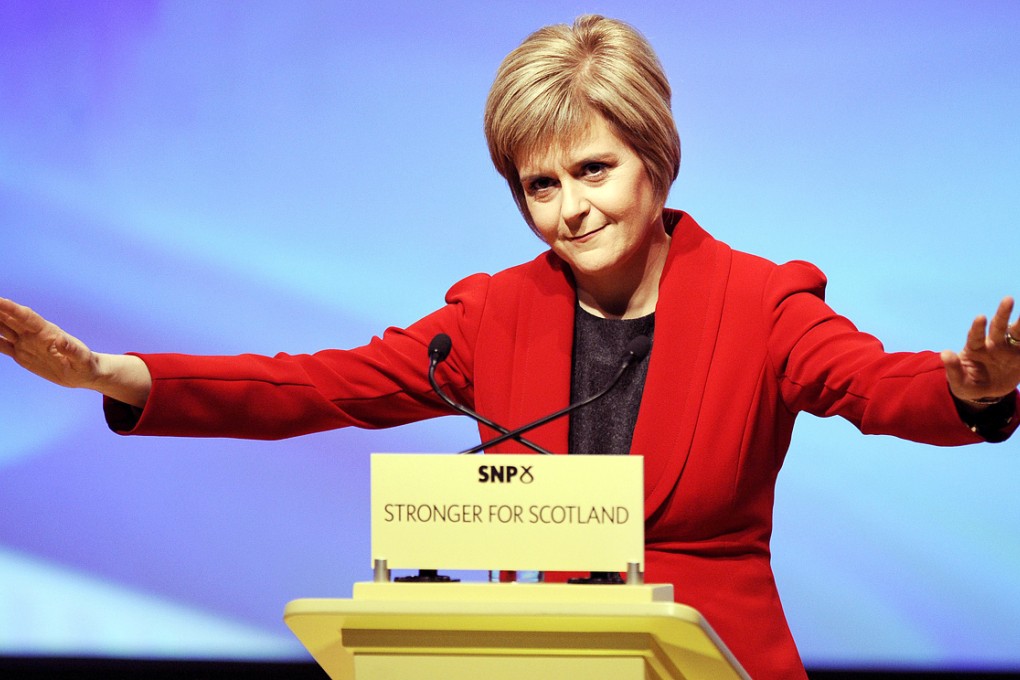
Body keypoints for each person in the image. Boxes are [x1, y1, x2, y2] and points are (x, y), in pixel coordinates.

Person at [1, 14, 1018, 679]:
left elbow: (874, 384)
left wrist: (969, 389)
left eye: (594, 169)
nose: (571, 209)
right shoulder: (494, 316)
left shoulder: (761, 301)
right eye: (541, 185)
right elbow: (316, 386)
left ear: (654, 158)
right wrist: (110, 374)